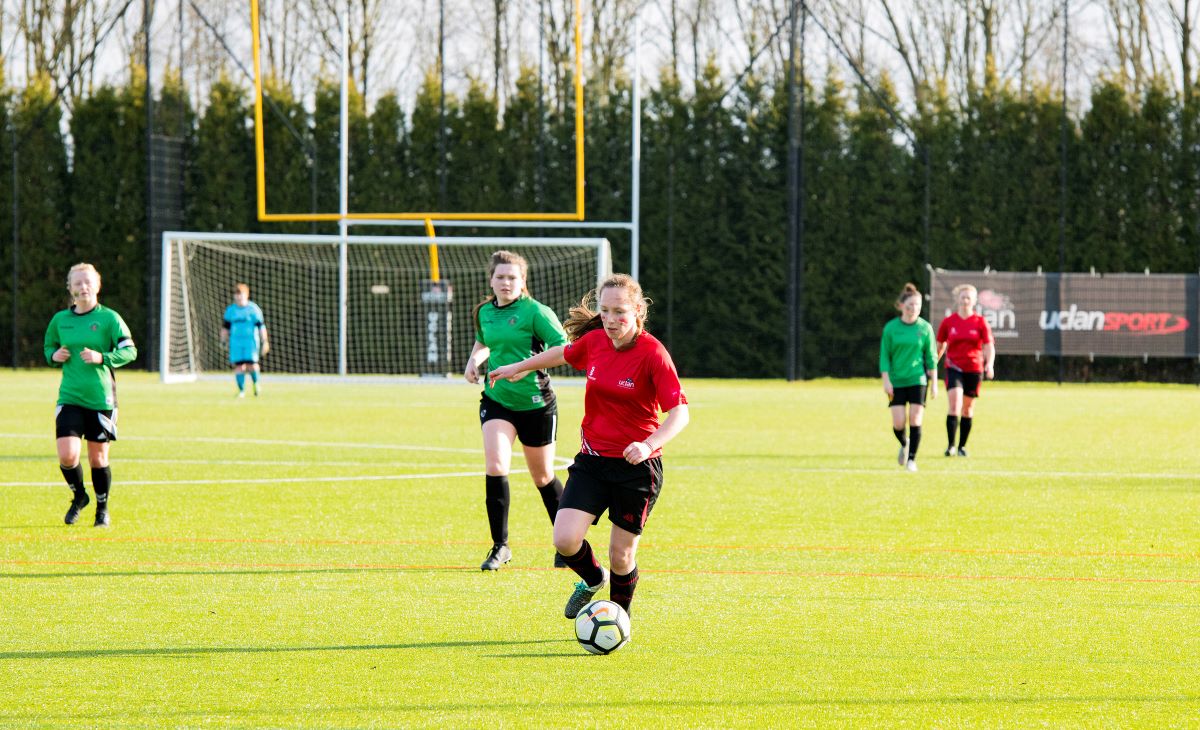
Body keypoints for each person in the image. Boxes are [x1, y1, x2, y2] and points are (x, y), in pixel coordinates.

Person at [489, 274, 689, 622]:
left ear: (639, 310)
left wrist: (648, 444)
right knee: (565, 539)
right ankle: (594, 580)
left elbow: (680, 413)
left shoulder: (653, 353)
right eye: (605, 310)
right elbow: (563, 354)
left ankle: (618, 620)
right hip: (593, 462)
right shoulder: (595, 341)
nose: (611, 320)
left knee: (621, 554)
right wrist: (519, 367)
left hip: (637, 469)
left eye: (620, 312)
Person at [464, 251, 570, 571]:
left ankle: (569, 544)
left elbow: (563, 350)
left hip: (537, 404)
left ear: (523, 282)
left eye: (512, 277)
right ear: (491, 280)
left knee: (542, 476)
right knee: (496, 464)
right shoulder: (484, 312)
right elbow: (484, 342)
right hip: (498, 400)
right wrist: (474, 361)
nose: (506, 282)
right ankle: (500, 546)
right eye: (500, 277)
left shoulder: (536, 312)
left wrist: (525, 367)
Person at [44, 263, 138, 527]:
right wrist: (53, 355)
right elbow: (48, 346)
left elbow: (130, 351)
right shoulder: (60, 320)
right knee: (67, 455)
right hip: (70, 397)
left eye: (87, 282)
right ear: (70, 288)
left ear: (97, 285)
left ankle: (102, 509)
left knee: (98, 458)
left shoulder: (110, 319)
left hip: (101, 399)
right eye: (77, 283)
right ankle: (79, 496)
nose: (83, 287)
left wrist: (103, 357)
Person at [880, 282, 937, 472]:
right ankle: (905, 443)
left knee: (915, 417)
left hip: (917, 379)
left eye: (918, 305)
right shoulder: (891, 328)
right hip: (896, 381)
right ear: (901, 306)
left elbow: (931, 357)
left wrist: (934, 383)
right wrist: (886, 380)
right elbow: (884, 356)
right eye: (910, 305)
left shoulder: (925, 328)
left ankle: (912, 459)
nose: (914, 309)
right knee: (898, 422)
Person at [936, 284, 995, 457]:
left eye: (969, 298)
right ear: (957, 299)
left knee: (967, 409)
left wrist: (989, 364)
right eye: (962, 297)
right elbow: (940, 346)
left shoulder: (980, 322)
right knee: (954, 405)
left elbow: (988, 346)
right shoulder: (949, 322)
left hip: (974, 369)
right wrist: (931, 364)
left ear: (974, 301)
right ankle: (951, 446)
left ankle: (962, 446)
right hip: (954, 367)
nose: (965, 301)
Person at [221, 283, 269, 397]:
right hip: (236, 342)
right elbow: (225, 328)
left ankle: (256, 384)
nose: (238, 297)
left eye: (241, 294)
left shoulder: (253, 309)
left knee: (252, 364)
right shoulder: (231, 310)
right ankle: (241, 390)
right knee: (239, 366)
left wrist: (265, 341)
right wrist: (223, 340)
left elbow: (261, 326)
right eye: (236, 295)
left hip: (251, 342)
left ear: (246, 295)